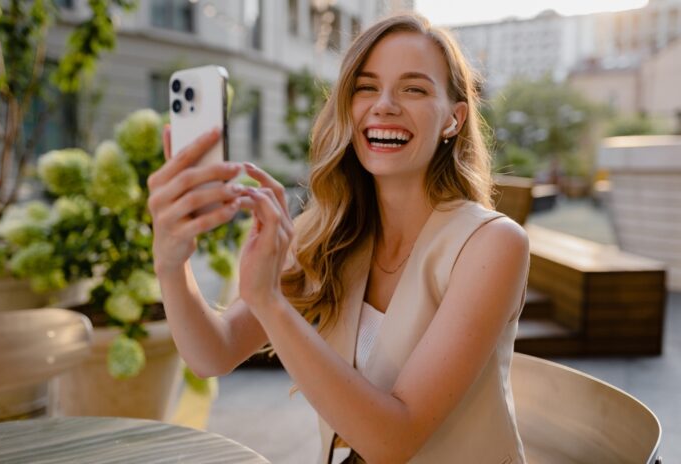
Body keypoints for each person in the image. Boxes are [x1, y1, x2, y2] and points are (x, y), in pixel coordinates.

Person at [148, 13, 529, 464]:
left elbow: (394, 441)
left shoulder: (492, 244)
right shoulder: (328, 231)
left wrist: (269, 302)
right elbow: (212, 353)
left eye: (414, 89)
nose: (384, 105)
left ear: (454, 119)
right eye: (366, 87)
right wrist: (172, 264)